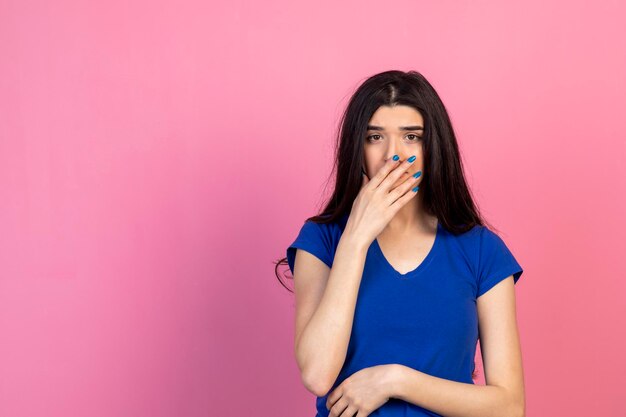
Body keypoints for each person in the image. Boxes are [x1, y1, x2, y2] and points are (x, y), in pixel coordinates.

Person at [274, 70, 525, 417]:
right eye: (375, 136)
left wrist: (395, 380)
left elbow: (509, 407)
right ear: (357, 149)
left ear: (434, 146)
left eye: (411, 136)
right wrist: (357, 238)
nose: (394, 155)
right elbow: (317, 375)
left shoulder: (481, 251)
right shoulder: (322, 242)